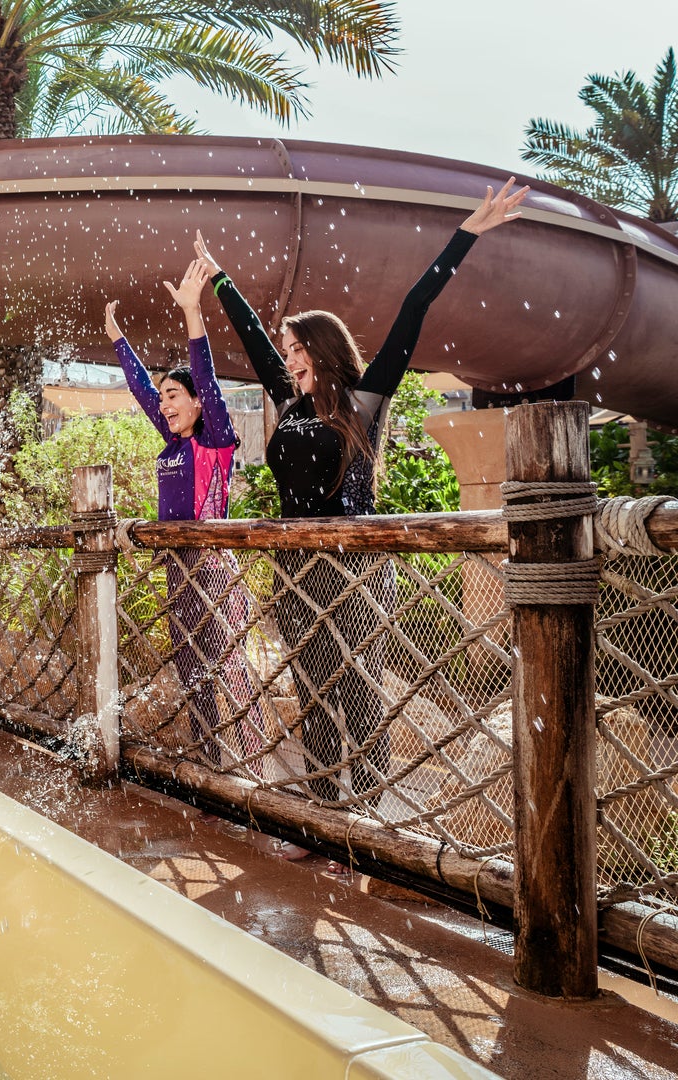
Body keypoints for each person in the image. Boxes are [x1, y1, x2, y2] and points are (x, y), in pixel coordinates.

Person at [192, 179, 530, 806]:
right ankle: (323, 811)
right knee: (311, 683)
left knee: (357, 689)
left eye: (297, 349)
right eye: (287, 349)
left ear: (322, 351)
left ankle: (369, 813)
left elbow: (411, 311)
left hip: (355, 566)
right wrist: (219, 280)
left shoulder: (362, 402)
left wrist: (466, 235)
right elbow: (250, 335)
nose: (287, 357)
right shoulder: (288, 400)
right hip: (295, 566)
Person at [104, 259, 269, 775]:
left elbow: (206, 376)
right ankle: (212, 770)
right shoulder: (172, 438)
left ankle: (257, 775)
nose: (165, 403)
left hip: (214, 569)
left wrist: (193, 311)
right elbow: (139, 389)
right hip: (178, 571)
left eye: (174, 395)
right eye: (164, 399)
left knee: (232, 671)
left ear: (198, 404)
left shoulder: (214, 439)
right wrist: (116, 340)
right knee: (193, 670)